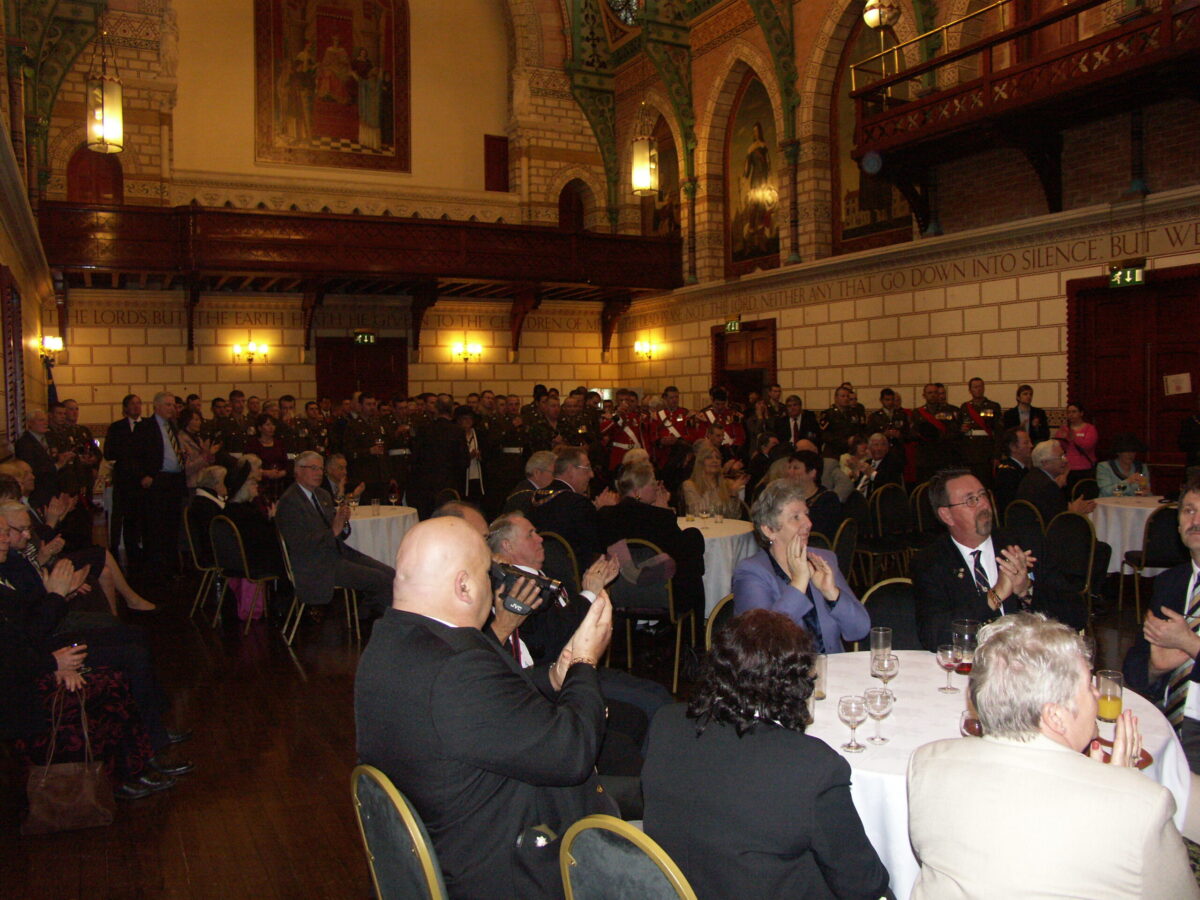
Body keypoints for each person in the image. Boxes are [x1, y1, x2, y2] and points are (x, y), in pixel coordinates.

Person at [355, 516, 617, 900]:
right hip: (511, 865)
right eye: (486, 575)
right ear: (463, 585)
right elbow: (572, 753)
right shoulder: (456, 667)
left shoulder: (392, 642)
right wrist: (584, 664)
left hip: (453, 833)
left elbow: (476, 710)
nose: (494, 587)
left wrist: (552, 677)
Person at [908, 613, 1197, 899]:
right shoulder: (1142, 806)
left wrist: (1108, 784)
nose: (1097, 695)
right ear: (1056, 717)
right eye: (1088, 686)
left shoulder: (926, 764)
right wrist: (1120, 786)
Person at [643, 609, 891, 900]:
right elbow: (862, 883)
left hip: (674, 887)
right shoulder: (812, 766)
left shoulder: (667, 723)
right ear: (795, 684)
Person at [910, 468, 1078, 649]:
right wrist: (995, 595)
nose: (983, 505)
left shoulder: (1024, 545)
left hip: (1029, 657)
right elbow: (933, 636)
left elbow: (1075, 615)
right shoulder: (930, 563)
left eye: (983, 495)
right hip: (971, 664)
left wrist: (1026, 590)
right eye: (971, 500)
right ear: (947, 515)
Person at [732, 479, 868, 652]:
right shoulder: (752, 573)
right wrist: (799, 584)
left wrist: (832, 593)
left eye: (806, 514)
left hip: (831, 672)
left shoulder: (824, 560)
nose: (808, 523)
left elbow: (860, 630)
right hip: (781, 676)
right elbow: (762, 645)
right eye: (796, 517)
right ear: (769, 530)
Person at [1125, 476, 1200, 773]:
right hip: (1165, 721)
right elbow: (1133, 666)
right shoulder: (1171, 583)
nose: (1195, 520)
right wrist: (1157, 666)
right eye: (1188, 511)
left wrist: (1190, 645)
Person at [274, 451, 395, 617]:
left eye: (320, 469)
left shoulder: (322, 495)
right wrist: (333, 531)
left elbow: (340, 534)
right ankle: (376, 621)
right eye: (313, 468)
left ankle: (366, 615)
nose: (318, 474)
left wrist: (343, 522)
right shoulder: (290, 502)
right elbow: (300, 545)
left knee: (391, 573)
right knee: (381, 579)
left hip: (338, 554)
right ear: (298, 471)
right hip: (316, 564)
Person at [597, 462, 706, 618]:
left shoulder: (605, 515)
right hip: (658, 592)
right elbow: (678, 551)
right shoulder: (660, 517)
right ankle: (696, 629)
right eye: (653, 483)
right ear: (636, 491)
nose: (657, 487)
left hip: (619, 591)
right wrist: (665, 510)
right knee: (692, 547)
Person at [527, 446, 617, 567]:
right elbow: (596, 549)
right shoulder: (578, 504)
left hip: (541, 568)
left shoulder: (535, 497)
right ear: (570, 470)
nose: (591, 474)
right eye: (587, 468)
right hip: (575, 575)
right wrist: (606, 512)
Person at [132, 391, 189, 571]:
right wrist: (143, 475)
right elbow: (135, 455)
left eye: (173, 405)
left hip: (175, 480)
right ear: (156, 406)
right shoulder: (145, 426)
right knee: (156, 522)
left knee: (173, 522)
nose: (171, 408)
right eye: (168, 405)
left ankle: (171, 561)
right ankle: (155, 563)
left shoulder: (172, 426)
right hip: (158, 479)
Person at [409, 397, 469, 518]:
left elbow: (415, 458)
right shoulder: (457, 431)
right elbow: (464, 461)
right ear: (452, 410)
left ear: (436, 409)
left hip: (426, 485)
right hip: (449, 484)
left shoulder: (424, 430)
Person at [105, 394, 145, 567]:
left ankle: (138, 548)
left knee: (138, 516)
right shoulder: (117, 427)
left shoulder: (147, 426)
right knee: (120, 515)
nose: (136, 407)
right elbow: (109, 452)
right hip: (123, 480)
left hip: (142, 481)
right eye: (132, 404)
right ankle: (115, 548)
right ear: (125, 408)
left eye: (139, 404)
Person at [680, 442, 747, 519]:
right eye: (709, 457)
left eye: (718, 457)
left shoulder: (727, 484)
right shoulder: (690, 485)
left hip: (724, 529)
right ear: (700, 462)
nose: (715, 460)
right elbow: (697, 514)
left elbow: (735, 517)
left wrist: (733, 494)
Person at [245, 414, 291, 505]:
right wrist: (265, 472)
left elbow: (286, 462)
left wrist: (282, 472)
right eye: (268, 425)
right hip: (261, 483)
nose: (271, 428)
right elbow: (248, 465)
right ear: (260, 428)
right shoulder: (253, 444)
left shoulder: (279, 443)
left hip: (279, 483)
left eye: (273, 425)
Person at [1053, 401, 1099, 492]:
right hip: (1067, 470)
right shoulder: (1064, 429)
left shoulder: (1090, 429)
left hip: (1084, 469)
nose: (1071, 415)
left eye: (1074, 412)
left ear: (1081, 413)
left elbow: (1088, 446)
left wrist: (1075, 438)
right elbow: (1059, 449)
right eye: (1069, 412)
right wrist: (1061, 440)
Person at [177, 407, 219, 492]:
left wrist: (210, 453)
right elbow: (187, 468)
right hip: (191, 483)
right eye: (196, 420)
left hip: (202, 481)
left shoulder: (198, 439)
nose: (199, 423)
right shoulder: (181, 439)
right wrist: (206, 455)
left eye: (199, 420)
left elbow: (207, 461)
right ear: (187, 421)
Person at [993, 427, 1032, 516]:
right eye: (1026, 443)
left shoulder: (1023, 468)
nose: (1031, 445)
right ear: (1013, 447)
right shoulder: (1007, 473)